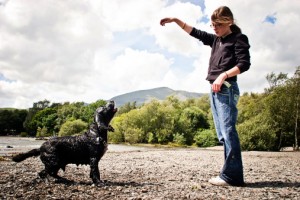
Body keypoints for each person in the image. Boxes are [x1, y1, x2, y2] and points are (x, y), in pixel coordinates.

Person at [160, 6, 250, 186]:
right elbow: (196, 32)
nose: (214, 28)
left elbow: (244, 64)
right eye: (212, 25)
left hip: (227, 87)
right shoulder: (216, 40)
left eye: (218, 24)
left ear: (229, 22)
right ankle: (230, 175)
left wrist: (223, 75)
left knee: (228, 130)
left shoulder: (238, 39)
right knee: (222, 134)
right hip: (215, 89)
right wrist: (176, 20)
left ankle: (232, 176)